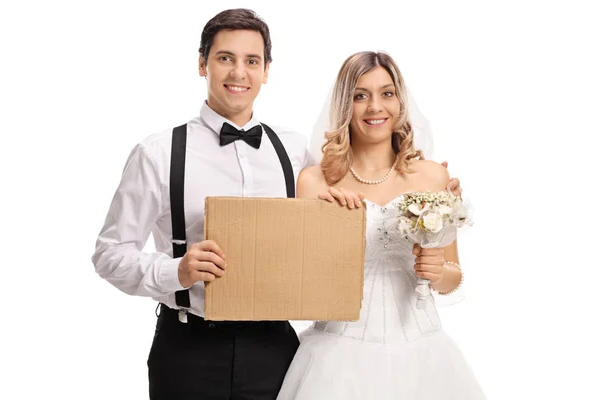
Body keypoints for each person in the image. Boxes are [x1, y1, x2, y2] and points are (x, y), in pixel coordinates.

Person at [92, 8, 462, 399]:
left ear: (266, 70)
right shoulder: (157, 153)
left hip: (276, 349)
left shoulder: (294, 152)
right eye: (225, 58)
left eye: (252, 61)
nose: (239, 73)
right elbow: (109, 254)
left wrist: (433, 198)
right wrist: (174, 271)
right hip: (189, 347)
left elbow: (346, 210)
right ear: (202, 64)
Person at [276, 51, 486, 399]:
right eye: (361, 95)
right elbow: (303, 290)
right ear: (346, 104)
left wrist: (437, 272)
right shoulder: (315, 183)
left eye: (386, 93)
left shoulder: (433, 176)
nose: (376, 106)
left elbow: (452, 277)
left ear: (400, 101)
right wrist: (325, 228)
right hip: (337, 355)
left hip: (422, 354)